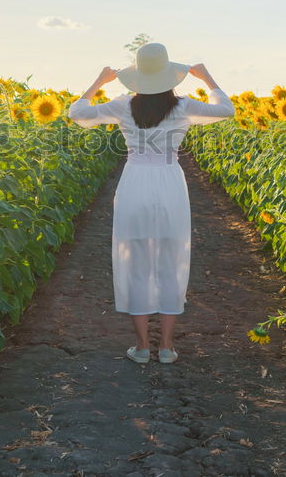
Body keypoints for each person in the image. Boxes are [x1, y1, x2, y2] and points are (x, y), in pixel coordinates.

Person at [67, 42, 235, 365]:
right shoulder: (183, 106)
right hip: (170, 183)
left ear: (138, 78)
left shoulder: (122, 105)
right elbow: (226, 110)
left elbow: (78, 113)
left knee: (136, 260)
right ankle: (168, 347)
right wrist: (207, 78)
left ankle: (143, 347)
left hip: (134, 184)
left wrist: (99, 82)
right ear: (170, 77)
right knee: (173, 259)